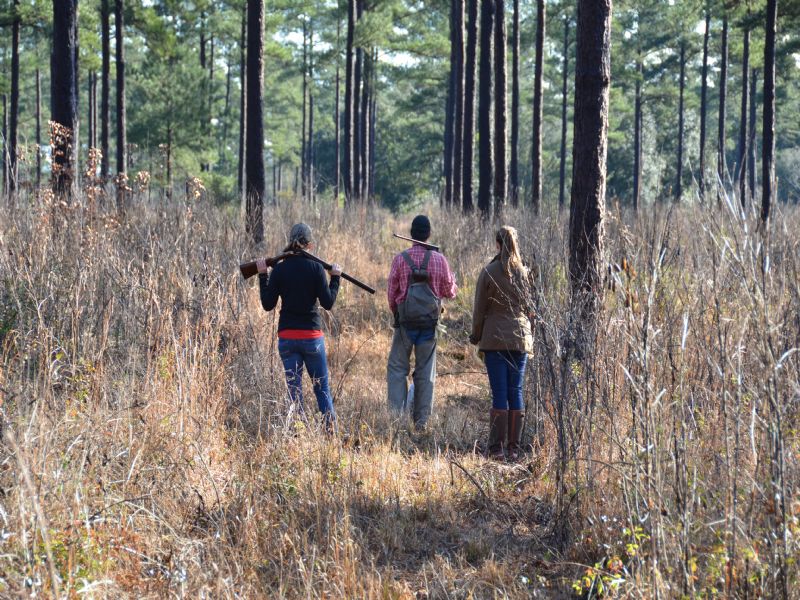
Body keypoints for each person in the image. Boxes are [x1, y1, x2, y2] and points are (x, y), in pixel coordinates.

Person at [257, 223, 342, 431]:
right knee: (322, 389)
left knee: (294, 392)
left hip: (287, 338)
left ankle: (298, 436)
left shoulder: (279, 268)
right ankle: (331, 436)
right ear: (309, 245)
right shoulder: (315, 268)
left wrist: (262, 275)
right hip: (312, 337)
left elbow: (268, 305)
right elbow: (328, 303)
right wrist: (336, 278)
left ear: (290, 241)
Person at [469, 226, 534, 460]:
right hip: (520, 339)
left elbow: (479, 310)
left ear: (497, 244)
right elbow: (530, 308)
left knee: (499, 392)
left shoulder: (488, 272)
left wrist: (476, 336)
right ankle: (514, 448)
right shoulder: (524, 273)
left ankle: (496, 449)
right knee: (515, 390)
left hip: (495, 339)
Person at [387, 215, 458, 430]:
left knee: (398, 368)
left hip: (405, 324)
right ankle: (422, 422)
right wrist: (452, 280)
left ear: (411, 233)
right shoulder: (440, 260)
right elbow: (450, 292)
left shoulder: (401, 259)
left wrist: (398, 314)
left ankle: (397, 419)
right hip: (429, 325)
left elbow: (392, 294)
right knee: (426, 372)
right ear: (429, 234)